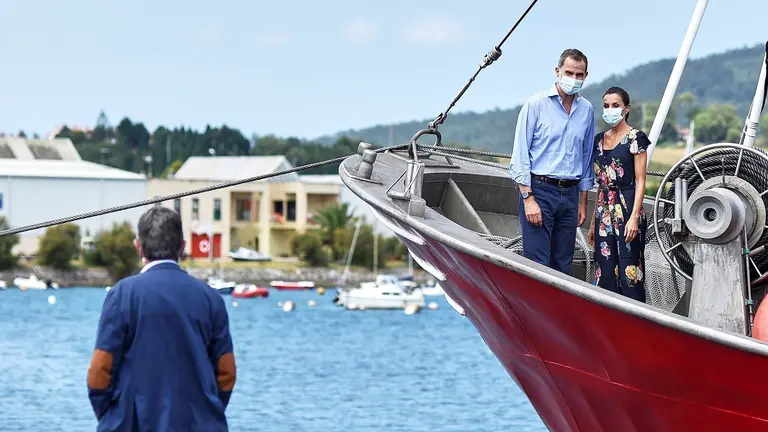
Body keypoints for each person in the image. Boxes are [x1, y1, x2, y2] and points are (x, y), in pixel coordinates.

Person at [87, 206, 236, 431]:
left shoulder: (122, 295)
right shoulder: (211, 299)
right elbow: (226, 372)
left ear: (138, 247)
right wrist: (206, 410)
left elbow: (99, 370)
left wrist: (114, 416)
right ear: (183, 247)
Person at [510, 48, 595, 274]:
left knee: (562, 264)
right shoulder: (536, 104)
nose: (574, 79)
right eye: (569, 73)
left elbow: (586, 156)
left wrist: (582, 202)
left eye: (579, 75)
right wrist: (528, 198)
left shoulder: (586, 110)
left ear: (586, 76)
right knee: (537, 263)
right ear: (557, 71)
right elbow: (520, 153)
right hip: (540, 190)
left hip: (570, 194)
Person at [587, 86, 648, 302]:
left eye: (615, 106)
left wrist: (633, 217)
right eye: (606, 106)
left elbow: (641, 180)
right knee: (604, 267)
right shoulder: (599, 140)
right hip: (604, 209)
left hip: (627, 206)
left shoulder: (635, 138)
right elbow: (600, 184)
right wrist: (594, 223)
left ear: (626, 109)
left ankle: (636, 318)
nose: (610, 110)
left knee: (629, 268)